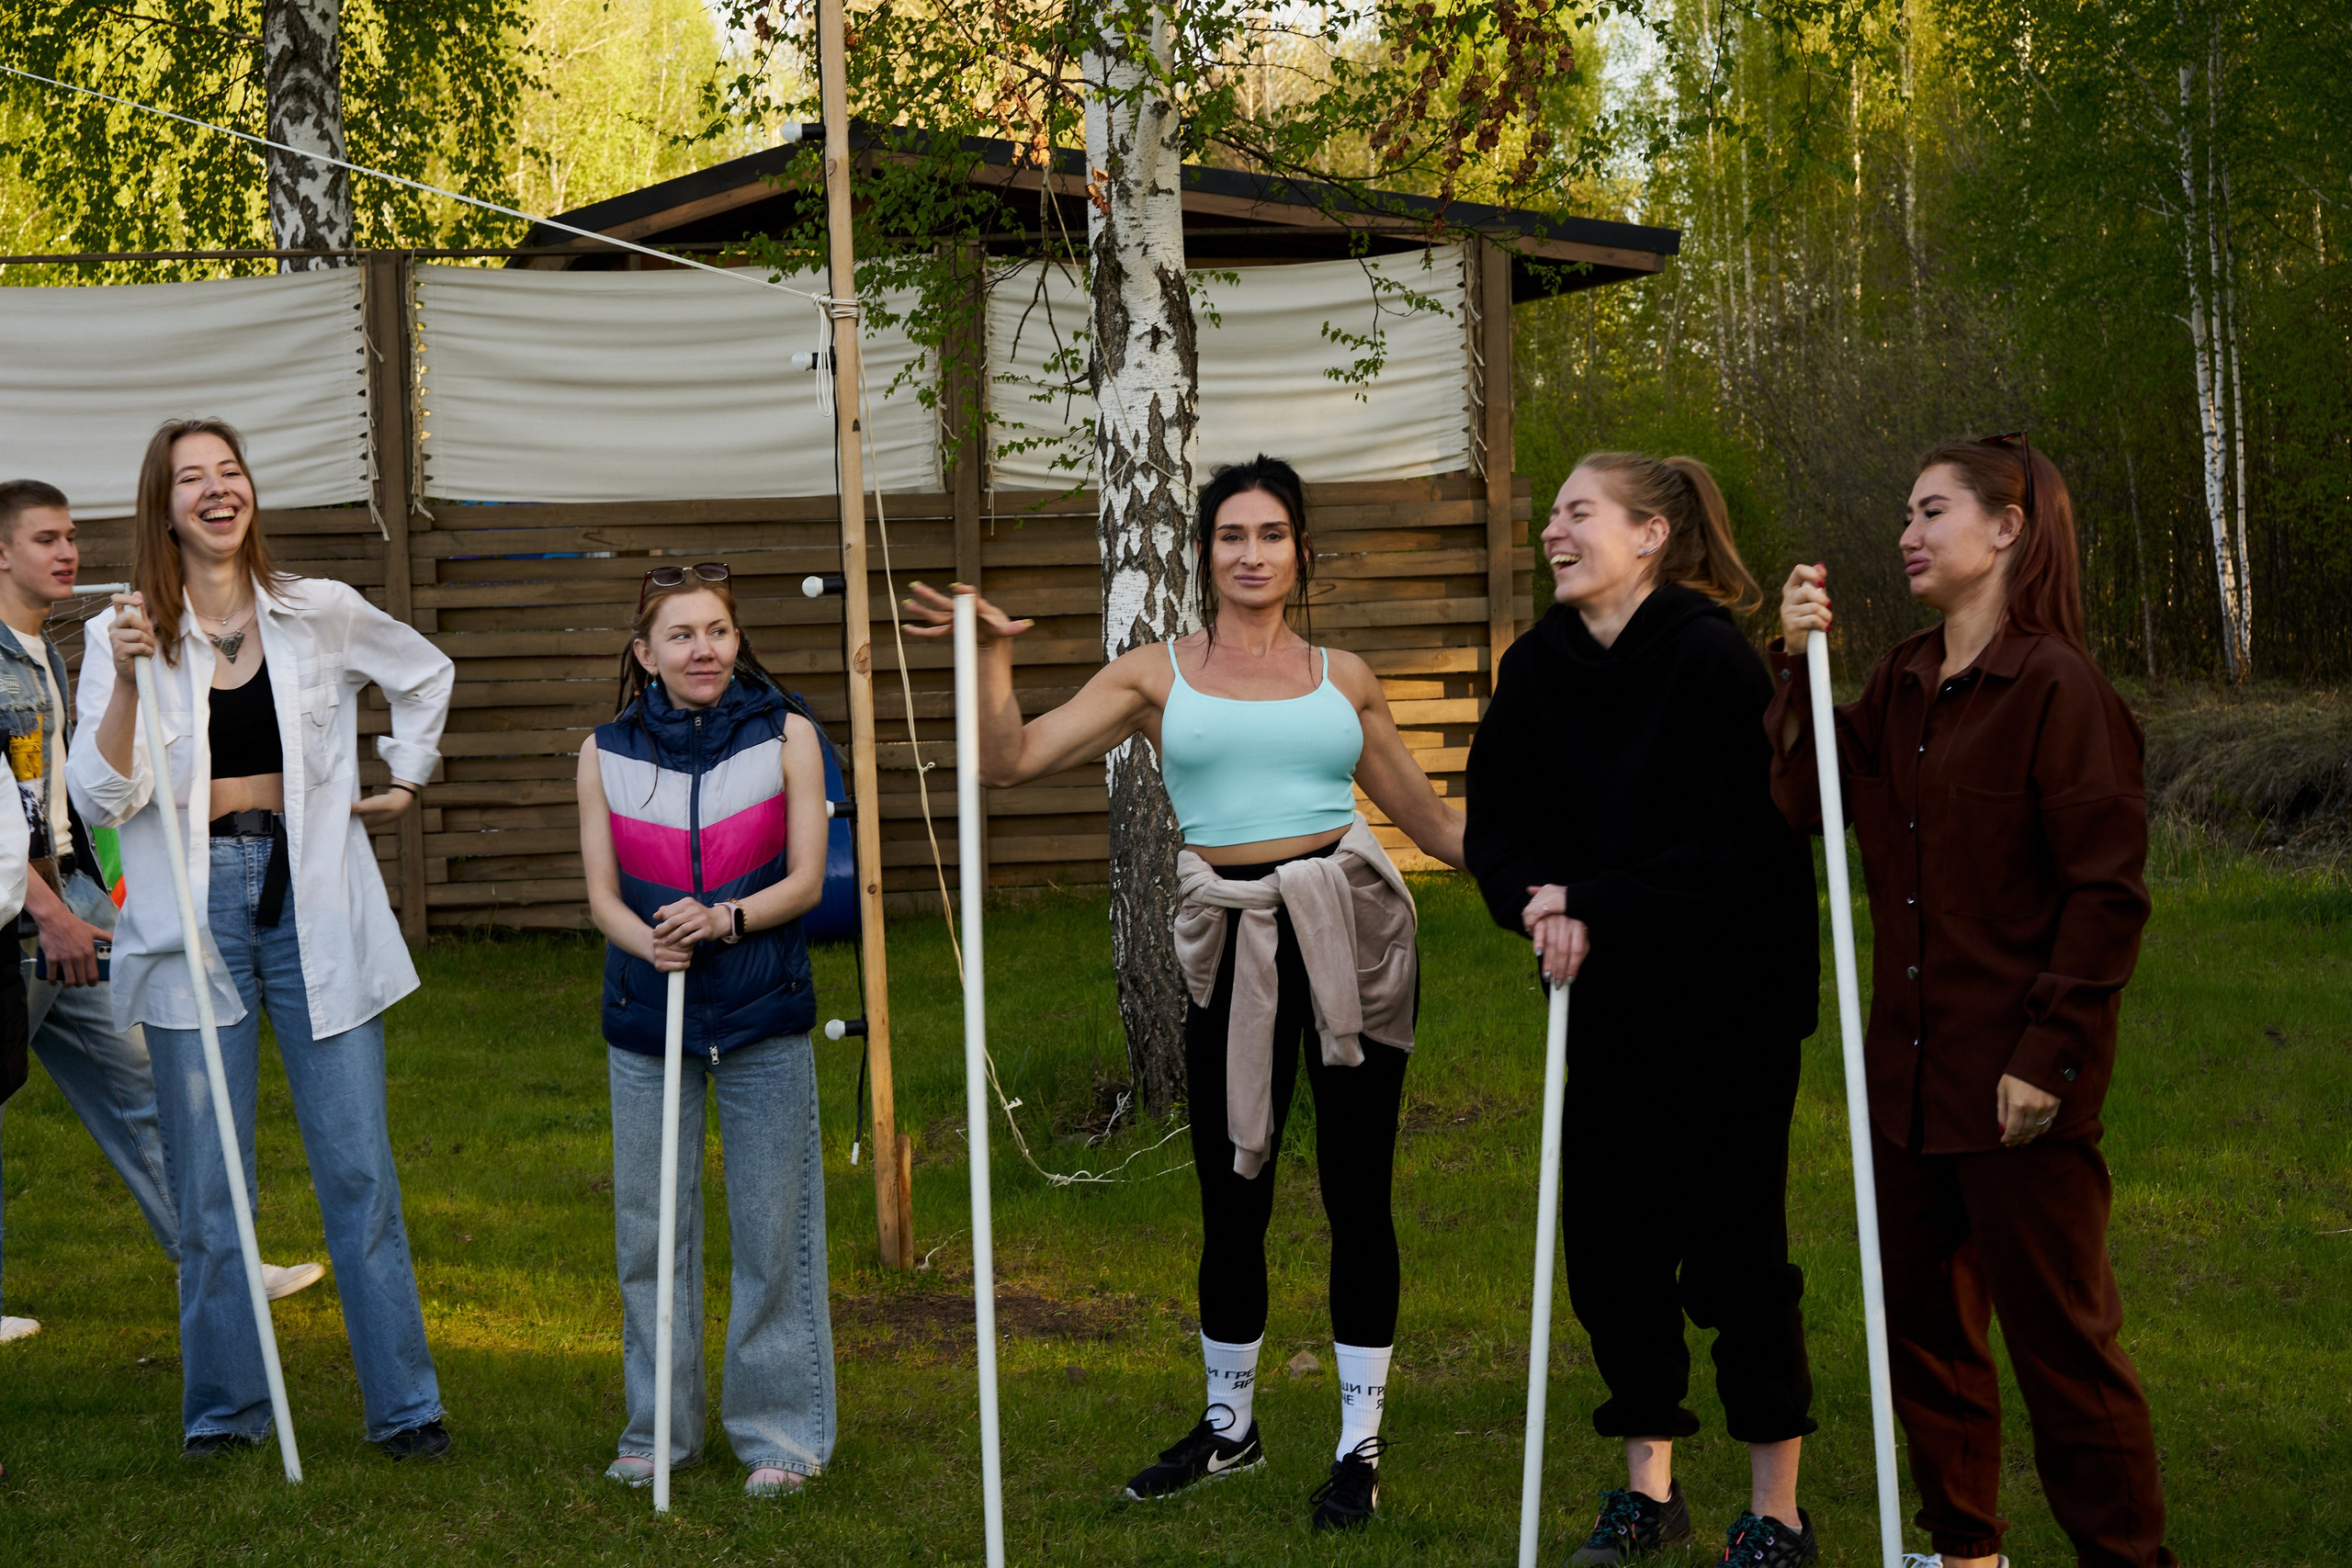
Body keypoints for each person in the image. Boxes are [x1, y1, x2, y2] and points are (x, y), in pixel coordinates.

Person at [905, 454, 1465, 1533]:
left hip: (1351, 938)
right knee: (1232, 1192)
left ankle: (1360, 1446)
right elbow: (1009, 760)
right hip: (1232, 949)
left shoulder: (1345, 676)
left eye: (1271, 535)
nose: (1251, 554)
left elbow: (1438, 826)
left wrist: (1557, 870)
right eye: (1231, 536)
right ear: (1203, 553)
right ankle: (1229, 1429)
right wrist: (986, 658)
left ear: (1301, 552)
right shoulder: (1153, 675)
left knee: (1358, 1192)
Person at [1770, 435, 2171, 1568]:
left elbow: (2104, 893)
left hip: (2015, 1082)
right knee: (1930, 1343)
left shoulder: (2057, 687)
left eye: (1931, 510)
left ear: (2008, 528)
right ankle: (1964, 1553)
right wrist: (1792, 662)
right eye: (1904, 511)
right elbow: (1806, 800)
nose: (1907, 531)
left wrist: (2048, 1058)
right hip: (1906, 1073)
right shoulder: (1900, 679)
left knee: (2064, 1349)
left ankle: (2126, 1561)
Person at [66, 419, 454, 1461]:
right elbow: (98, 797)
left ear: (250, 493)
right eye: (191, 477)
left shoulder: (316, 612)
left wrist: (407, 777)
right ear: (165, 506)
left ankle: (405, 1408)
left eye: (228, 471)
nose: (215, 489)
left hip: (310, 899)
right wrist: (126, 676)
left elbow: (423, 672)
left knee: (358, 1168)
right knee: (209, 1182)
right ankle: (227, 1413)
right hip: (194, 913)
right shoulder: (128, 633)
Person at [1464, 454, 1823, 1568]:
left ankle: (1776, 1514)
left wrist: (1595, 901)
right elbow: (1496, 822)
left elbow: (1742, 848)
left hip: (1729, 1004)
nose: (1552, 534)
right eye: (1552, 518)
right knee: (1612, 1255)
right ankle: (1649, 1495)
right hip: (1607, 1002)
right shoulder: (1534, 669)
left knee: (1734, 1256)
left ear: (1650, 534)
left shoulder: (1712, 658)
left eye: (1577, 514)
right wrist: (1539, 906)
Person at [0, 479, 322, 1352]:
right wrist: (47, 910)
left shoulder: (51, 654)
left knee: (147, 1083)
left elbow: (72, 792)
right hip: (23, 911)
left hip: (72, 895)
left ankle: (218, 1254)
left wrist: (86, 896)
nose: (67, 552)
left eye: (70, 536)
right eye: (45, 539)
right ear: (0, 553)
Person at [576, 563, 835, 1498]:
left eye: (717, 631)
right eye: (680, 635)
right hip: (649, 1014)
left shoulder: (787, 736)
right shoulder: (603, 751)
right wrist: (651, 942)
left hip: (762, 1010)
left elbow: (805, 881)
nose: (702, 649)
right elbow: (602, 896)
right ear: (644, 655)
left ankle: (779, 1435)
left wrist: (724, 920)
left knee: (774, 1232)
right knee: (651, 1232)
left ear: (736, 641)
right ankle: (659, 1433)